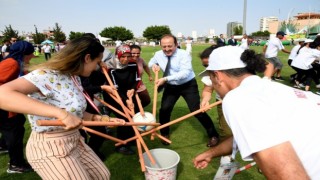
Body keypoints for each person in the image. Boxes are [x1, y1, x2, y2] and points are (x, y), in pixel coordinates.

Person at [0, 37, 125, 179]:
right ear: (87, 58)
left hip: (75, 141)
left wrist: (100, 118)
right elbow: (2, 94)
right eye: (97, 62)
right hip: (49, 147)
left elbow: (75, 112)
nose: (98, 66)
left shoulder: (74, 77)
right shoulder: (45, 74)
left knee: (101, 175)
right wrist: (60, 114)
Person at [193, 46, 320, 179]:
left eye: (211, 78)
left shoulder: (238, 97)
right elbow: (250, 135)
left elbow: (284, 173)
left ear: (217, 76)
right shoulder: (276, 89)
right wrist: (211, 153)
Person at [148, 34, 220, 147]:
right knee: (165, 109)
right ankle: (164, 134)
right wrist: (153, 65)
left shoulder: (184, 54)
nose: (167, 49)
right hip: (171, 86)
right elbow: (151, 62)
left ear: (176, 44)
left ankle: (213, 135)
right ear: (160, 46)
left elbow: (185, 73)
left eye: (170, 46)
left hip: (188, 85)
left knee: (197, 110)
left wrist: (165, 78)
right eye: (164, 46)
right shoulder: (158, 54)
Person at [0, 41, 35, 173]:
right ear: (24, 53)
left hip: (6, 101)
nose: (32, 56)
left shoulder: (14, 61)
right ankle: (16, 164)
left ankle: (3, 145)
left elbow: (26, 74)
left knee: (18, 122)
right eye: (30, 53)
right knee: (14, 130)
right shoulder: (11, 63)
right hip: (3, 103)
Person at [104, 45, 142, 155]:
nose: (126, 59)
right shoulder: (111, 67)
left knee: (133, 115)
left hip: (129, 93)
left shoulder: (133, 64)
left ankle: (131, 138)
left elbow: (137, 80)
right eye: (123, 56)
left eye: (128, 56)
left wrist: (133, 89)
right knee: (123, 117)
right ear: (118, 55)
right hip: (114, 95)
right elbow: (115, 87)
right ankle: (121, 145)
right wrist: (125, 100)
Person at [199, 45, 233, 164]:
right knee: (227, 132)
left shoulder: (235, 71)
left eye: (210, 64)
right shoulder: (210, 74)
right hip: (223, 104)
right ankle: (227, 156)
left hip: (241, 104)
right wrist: (205, 100)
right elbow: (208, 90)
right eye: (205, 65)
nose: (208, 68)